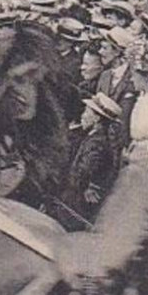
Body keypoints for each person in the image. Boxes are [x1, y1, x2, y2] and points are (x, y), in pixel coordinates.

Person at [63, 93, 123, 229]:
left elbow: (82, 174)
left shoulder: (97, 144)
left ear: (96, 118)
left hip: (78, 204)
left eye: (86, 112)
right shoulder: (93, 138)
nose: (83, 115)